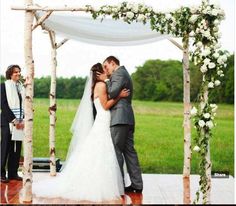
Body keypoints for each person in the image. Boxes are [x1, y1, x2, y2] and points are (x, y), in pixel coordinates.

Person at [33, 63, 129, 203]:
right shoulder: (101, 86)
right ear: (98, 74)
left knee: (100, 152)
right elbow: (106, 105)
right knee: (102, 151)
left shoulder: (98, 85)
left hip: (103, 120)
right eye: (104, 70)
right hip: (103, 119)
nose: (107, 71)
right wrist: (119, 96)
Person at [97, 56, 143, 193]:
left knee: (116, 151)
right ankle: (137, 185)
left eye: (106, 66)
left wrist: (105, 80)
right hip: (127, 117)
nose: (105, 70)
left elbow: (111, 92)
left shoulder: (119, 73)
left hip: (119, 118)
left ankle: (118, 185)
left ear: (113, 63)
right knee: (130, 152)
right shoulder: (123, 73)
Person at [1, 65, 24, 183]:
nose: (18, 74)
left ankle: (13, 173)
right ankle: (1, 173)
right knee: (5, 147)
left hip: (20, 121)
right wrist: (14, 120)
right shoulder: (4, 86)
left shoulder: (21, 87)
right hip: (7, 121)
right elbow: (3, 105)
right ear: (10, 73)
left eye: (19, 72)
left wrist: (22, 119)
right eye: (16, 72)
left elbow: (23, 104)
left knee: (16, 147)